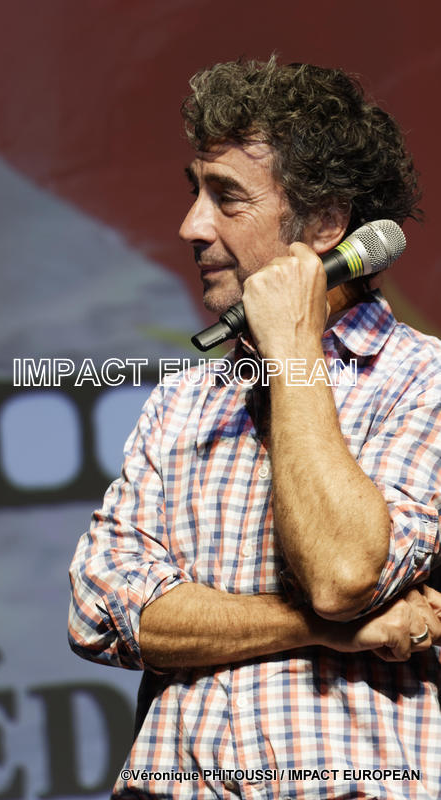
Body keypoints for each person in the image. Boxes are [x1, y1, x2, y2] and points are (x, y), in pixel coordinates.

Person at [68, 58, 441, 799]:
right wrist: (322, 632)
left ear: (326, 225)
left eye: (227, 197)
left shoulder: (425, 381)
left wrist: (294, 352)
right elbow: (103, 610)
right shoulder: (181, 401)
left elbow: (341, 574)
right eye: (194, 191)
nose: (191, 226)